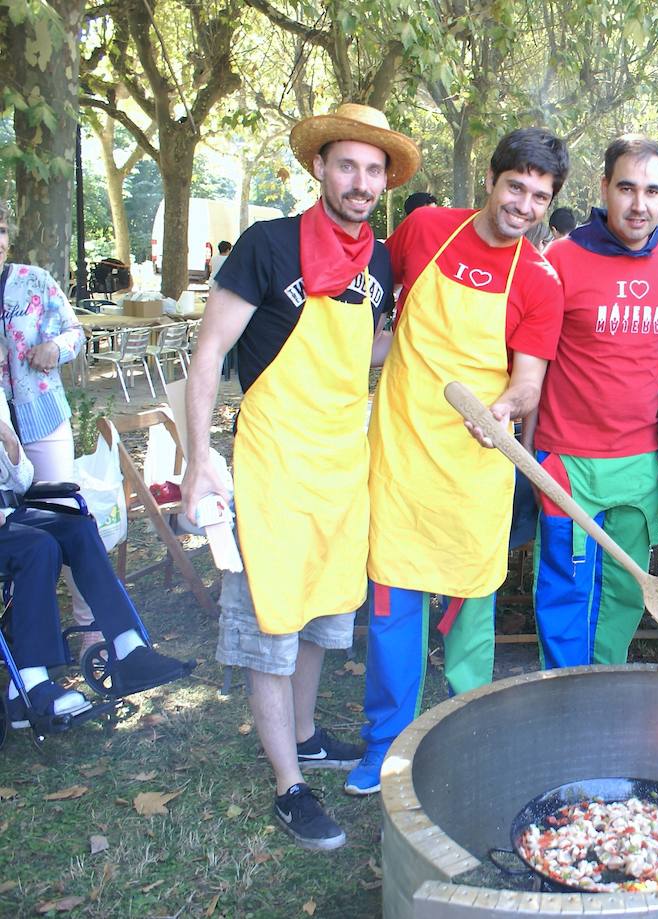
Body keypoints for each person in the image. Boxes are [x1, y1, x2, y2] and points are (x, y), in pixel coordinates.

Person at [180, 102, 419, 850]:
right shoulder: (268, 246)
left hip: (342, 467)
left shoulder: (378, 260)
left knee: (321, 613)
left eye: (373, 169)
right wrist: (196, 463)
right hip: (274, 465)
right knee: (270, 625)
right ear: (318, 167)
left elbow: (366, 355)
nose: (360, 181)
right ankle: (290, 784)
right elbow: (210, 353)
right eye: (347, 164)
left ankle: (308, 733)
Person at [352, 127, 568, 795]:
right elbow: (372, 305)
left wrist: (504, 409)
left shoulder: (538, 279)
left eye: (540, 196)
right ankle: (386, 742)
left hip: (477, 467)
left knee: (473, 610)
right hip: (400, 454)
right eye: (516, 187)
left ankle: (468, 734)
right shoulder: (424, 230)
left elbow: (528, 381)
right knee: (392, 607)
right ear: (491, 180)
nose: (525, 206)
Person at [533, 135, 658, 668]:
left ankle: (604, 688)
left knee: (626, 589)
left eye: (652, 191)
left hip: (640, 463)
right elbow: (531, 357)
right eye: (626, 188)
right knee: (566, 588)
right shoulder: (560, 259)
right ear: (604, 188)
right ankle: (561, 693)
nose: (639, 204)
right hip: (566, 460)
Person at [0, 415, 193, 728]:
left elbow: (22, 482)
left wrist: (10, 443)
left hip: (9, 515)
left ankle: (128, 648)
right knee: (38, 547)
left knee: (79, 529)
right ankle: (29, 682)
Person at [0, 201, 96, 647]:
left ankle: (91, 630)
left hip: (41, 417)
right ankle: (23, 639)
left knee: (67, 514)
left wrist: (55, 347)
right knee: (15, 530)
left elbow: (76, 331)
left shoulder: (32, 282)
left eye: (1, 230)